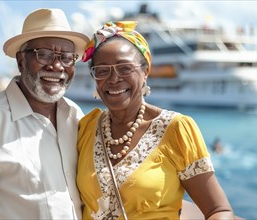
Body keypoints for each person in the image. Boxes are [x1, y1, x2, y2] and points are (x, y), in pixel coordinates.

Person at [77, 21, 236, 219]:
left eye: (125, 68)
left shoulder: (176, 128)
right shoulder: (86, 127)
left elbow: (218, 210)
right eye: (102, 70)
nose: (114, 78)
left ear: (145, 71)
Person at [0, 8, 89, 219]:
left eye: (67, 58)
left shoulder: (75, 116)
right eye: (45, 55)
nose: (57, 65)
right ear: (21, 61)